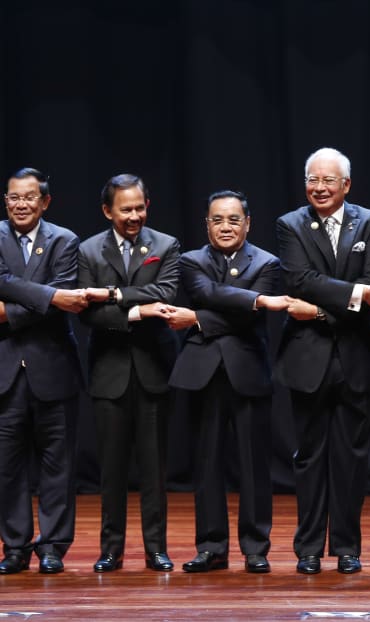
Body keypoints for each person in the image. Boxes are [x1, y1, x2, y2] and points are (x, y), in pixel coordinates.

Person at [275, 147, 370, 575]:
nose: (320, 187)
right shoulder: (290, 225)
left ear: (346, 185)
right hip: (307, 357)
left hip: (358, 355)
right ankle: (308, 547)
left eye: (329, 180)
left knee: (352, 456)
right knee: (309, 456)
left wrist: (319, 309)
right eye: (313, 179)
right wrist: (353, 296)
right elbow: (299, 279)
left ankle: (348, 546)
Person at [165, 190, 293, 573]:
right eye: (217, 220)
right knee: (206, 464)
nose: (225, 227)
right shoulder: (190, 261)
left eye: (233, 220)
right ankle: (211, 547)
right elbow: (204, 293)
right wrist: (252, 300)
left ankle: (256, 548)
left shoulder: (268, 263)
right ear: (206, 223)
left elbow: (248, 318)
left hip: (249, 372)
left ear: (247, 223)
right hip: (203, 374)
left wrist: (199, 319)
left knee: (254, 465)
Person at [78, 173, 180, 572]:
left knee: (155, 469)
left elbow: (166, 293)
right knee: (112, 468)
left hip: (153, 367)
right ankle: (111, 549)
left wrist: (115, 295)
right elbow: (88, 312)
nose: (134, 215)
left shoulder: (166, 245)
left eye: (140, 207)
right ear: (108, 211)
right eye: (126, 209)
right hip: (108, 370)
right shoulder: (87, 251)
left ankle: (157, 547)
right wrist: (137, 311)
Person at [0, 168, 87, 574]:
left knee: (58, 464)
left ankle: (52, 546)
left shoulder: (65, 240)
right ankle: (14, 546)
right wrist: (51, 296)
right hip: (5, 372)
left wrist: (9, 308)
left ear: (45, 202)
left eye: (29, 197)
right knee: (7, 465)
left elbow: (69, 298)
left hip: (54, 368)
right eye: (14, 197)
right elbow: (57, 297)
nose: (20, 204)